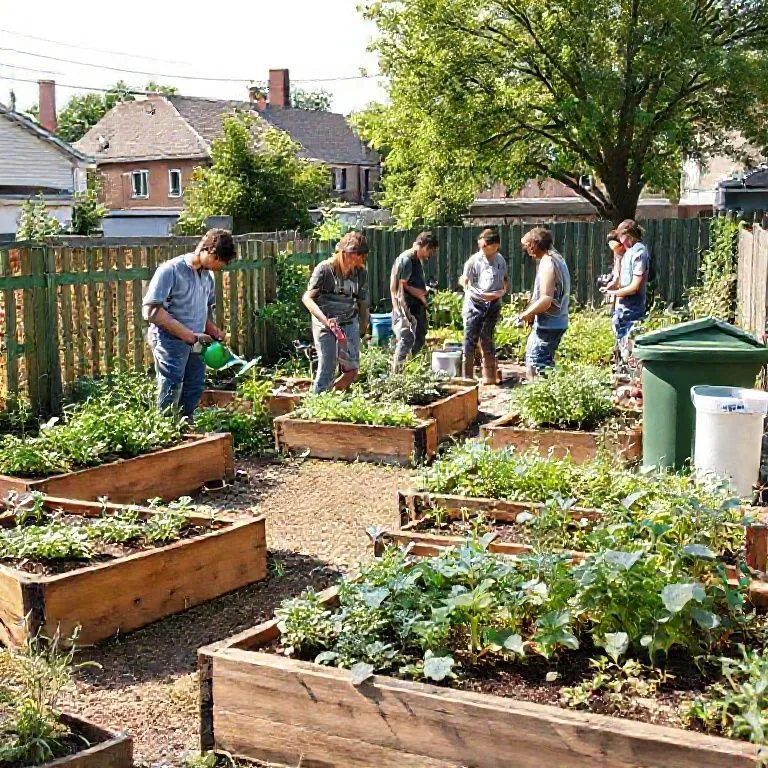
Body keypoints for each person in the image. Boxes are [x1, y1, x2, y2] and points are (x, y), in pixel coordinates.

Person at [142, 228, 235, 417]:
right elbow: (151, 312)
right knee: (171, 385)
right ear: (208, 251)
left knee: (194, 385)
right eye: (218, 261)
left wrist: (215, 333)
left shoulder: (207, 277)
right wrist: (189, 336)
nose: (220, 267)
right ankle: (165, 431)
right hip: (169, 340)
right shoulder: (171, 270)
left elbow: (204, 312)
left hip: (196, 341)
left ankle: (185, 429)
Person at [302, 230, 369, 393]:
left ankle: (332, 398)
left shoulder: (361, 273)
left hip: (348, 322)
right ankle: (317, 401)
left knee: (352, 370)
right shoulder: (325, 269)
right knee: (328, 365)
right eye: (352, 255)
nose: (355, 260)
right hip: (325, 323)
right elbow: (307, 298)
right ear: (342, 252)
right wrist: (326, 321)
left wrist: (363, 328)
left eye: (359, 256)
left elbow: (363, 302)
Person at [519, 227, 570, 379]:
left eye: (526, 246)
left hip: (549, 324)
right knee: (543, 362)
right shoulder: (557, 258)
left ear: (533, 245)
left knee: (537, 365)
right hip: (556, 321)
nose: (526, 250)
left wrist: (525, 314)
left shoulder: (548, 263)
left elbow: (546, 299)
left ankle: (542, 399)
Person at [458, 228, 508, 383]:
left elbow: (505, 280)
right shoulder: (474, 261)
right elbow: (463, 279)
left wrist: (501, 292)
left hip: (493, 302)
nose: (483, 249)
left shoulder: (500, 260)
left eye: (486, 246)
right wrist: (464, 282)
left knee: (487, 338)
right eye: (481, 246)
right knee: (470, 340)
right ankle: (467, 378)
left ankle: (490, 378)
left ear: (495, 246)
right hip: (474, 303)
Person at [390, 231, 439, 371]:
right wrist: (422, 295)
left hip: (415, 307)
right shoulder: (407, 259)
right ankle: (397, 374)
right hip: (406, 308)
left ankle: (413, 370)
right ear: (424, 246)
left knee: (419, 338)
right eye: (431, 250)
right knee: (406, 339)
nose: (431, 254)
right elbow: (401, 286)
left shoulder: (416, 259)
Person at [602, 219, 649, 348]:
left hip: (632, 310)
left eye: (620, 237)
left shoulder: (639, 252)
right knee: (620, 348)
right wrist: (612, 286)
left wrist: (614, 293)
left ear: (627, 236)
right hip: (622, 309)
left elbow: (634, 287)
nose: (620, 242)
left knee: (628, 348)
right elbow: (623, 280)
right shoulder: (630, 252)